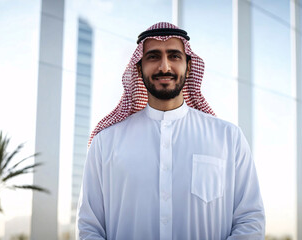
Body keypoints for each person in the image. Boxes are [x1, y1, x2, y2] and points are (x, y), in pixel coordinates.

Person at [77, 22, 265, 240]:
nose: (164, 67)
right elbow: (89, 228)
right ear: (139, 67)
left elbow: (250, 220)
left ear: (189, 66)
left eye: (174, 56)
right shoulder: (106, 143)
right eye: (153, 56)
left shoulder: (228, 138)